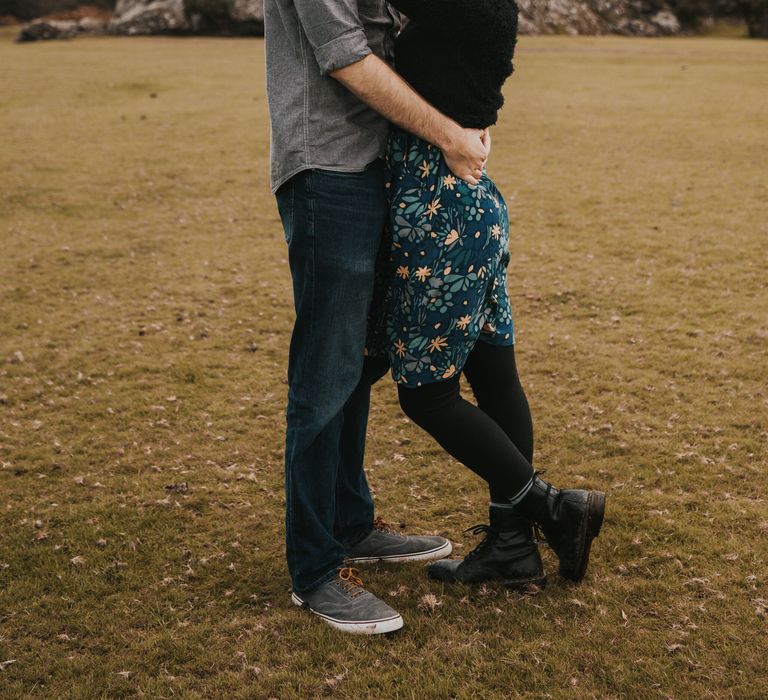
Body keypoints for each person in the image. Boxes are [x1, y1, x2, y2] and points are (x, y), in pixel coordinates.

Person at [264, 0, 494, 635]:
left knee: (360, 360)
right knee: (326, 369)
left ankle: (351, 523)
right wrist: (450, 134)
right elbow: (345, 54)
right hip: (328, 168)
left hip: (380, 163)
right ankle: (315, 569)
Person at [366, 0, 607, 590]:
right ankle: (509, 548)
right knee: (495, 376)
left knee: (426, 397)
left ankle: (551, 507)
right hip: (470, 204)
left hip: (437, 210)